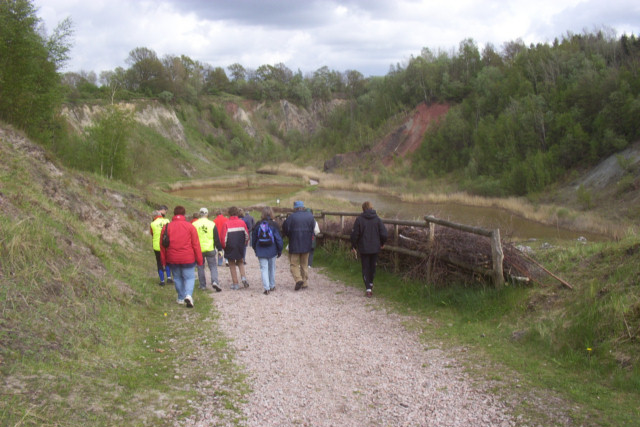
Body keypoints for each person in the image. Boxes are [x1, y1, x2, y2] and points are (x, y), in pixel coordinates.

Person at [160, 205, 203, 308]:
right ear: (184, 214)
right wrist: (200, 260)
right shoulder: (190, 227)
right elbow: (196, 245)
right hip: (188, 257)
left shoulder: (166, 227)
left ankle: (180, 297)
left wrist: (163, 261)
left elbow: (162, 246)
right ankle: (188, 295)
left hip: (172, 258)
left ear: (174, 214)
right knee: (189, 278)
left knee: (178, 278)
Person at [350, 201, 388, 298]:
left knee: (365, 267)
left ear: (363, 209)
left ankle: (368, 288)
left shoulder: (359, 220)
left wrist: (353, 246)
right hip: (375, 247)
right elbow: (384, 233)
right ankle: (370, 284)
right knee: (373, 266)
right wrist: (382, 243)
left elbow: (355, 235)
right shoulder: (377, 219)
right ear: (371, 208)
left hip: (364, 248)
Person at [282, 200, 315, 290]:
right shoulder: (310, 216)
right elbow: (313, 229)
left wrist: (290, 236)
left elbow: (285, 229)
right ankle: (304, 282)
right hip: (307, 244)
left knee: (294, 264)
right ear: (303, 207)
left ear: (295, 208)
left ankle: (298, 279)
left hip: (295, 244)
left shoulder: (291, 217)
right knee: (304, 264)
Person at [251, 206, 283, 295]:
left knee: (263, 269)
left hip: (261, 250)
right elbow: (278, 239)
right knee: (272, 268)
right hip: (272, 250)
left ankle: (266, 288)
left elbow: (254, 239)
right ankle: (272, 285)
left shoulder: (258, 224)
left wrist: (255, 249)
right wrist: (279, 250)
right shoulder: (274, 225)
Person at [219, 206, 250, 290]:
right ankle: (243, 277)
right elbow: (247, 235)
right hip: (240, 246)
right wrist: (245, 244)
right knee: (240, 261)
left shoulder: (226, 223)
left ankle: (235, 283)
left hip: (230, 246)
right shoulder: (242, 222)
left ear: (229, 213)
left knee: (232, 264)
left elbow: (223, 238)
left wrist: (224, 247)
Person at [192, 207, 223, 292]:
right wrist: (219, 249)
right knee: (213, 267)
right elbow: (216, 238)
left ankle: (202, 285)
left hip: (199, 250)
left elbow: (192, 238)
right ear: (207, 214)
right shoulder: (212, 224)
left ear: (199, 214)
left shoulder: (194, 224)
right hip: (210, 248)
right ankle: (215, 282)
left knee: (200, 267)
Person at [149, 205, 173, 286]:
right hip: (166, 244)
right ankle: (169, 277)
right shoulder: (167, 221)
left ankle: (162, 281)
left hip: (157, 245)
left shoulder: (152, 223)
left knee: (159, 262)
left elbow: (152, 233)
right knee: (167, 261)